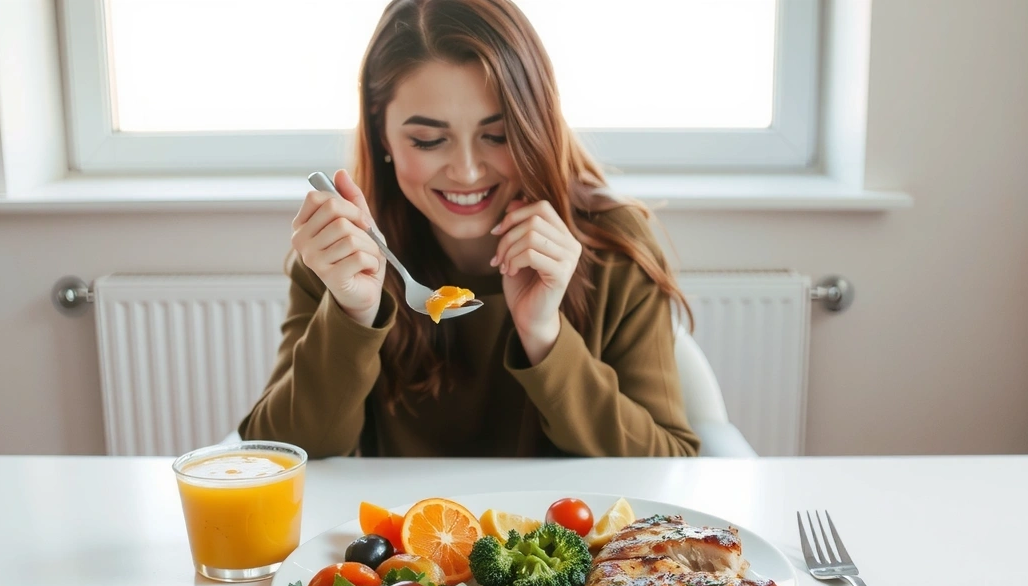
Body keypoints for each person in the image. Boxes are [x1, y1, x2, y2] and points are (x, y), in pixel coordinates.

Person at [239, 0, 699, 458]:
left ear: (535, 125)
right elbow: (278, 454)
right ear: (381, 131)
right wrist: (351, 315)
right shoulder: (344, 253)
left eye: (497, 135)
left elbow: (667, 463)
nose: (466, 171)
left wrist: (544, 334)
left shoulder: (615, 248)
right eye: (428, 140)